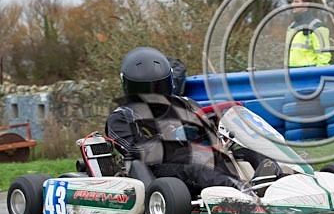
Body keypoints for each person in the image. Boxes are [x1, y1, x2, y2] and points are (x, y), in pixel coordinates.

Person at [105, 47, 276, 195]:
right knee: (195, 166)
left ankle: (282, 183)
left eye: (158, 86)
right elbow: (135, 150)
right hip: (163, 170)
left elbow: (210, 131)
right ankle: (244, 194)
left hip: (207, 154)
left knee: (251, 151)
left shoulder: (185, 104)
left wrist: (214, 126)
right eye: (145, 89)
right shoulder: (122, 117)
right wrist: (175, 138)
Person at [286, 0, 332, 68]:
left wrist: (318, 75)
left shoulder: (317, 26)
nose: (292, 5)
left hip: (309, 72)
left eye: (296, 2)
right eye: (293, 1)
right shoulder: (291, 27)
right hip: (292, 72)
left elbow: (324, 55)